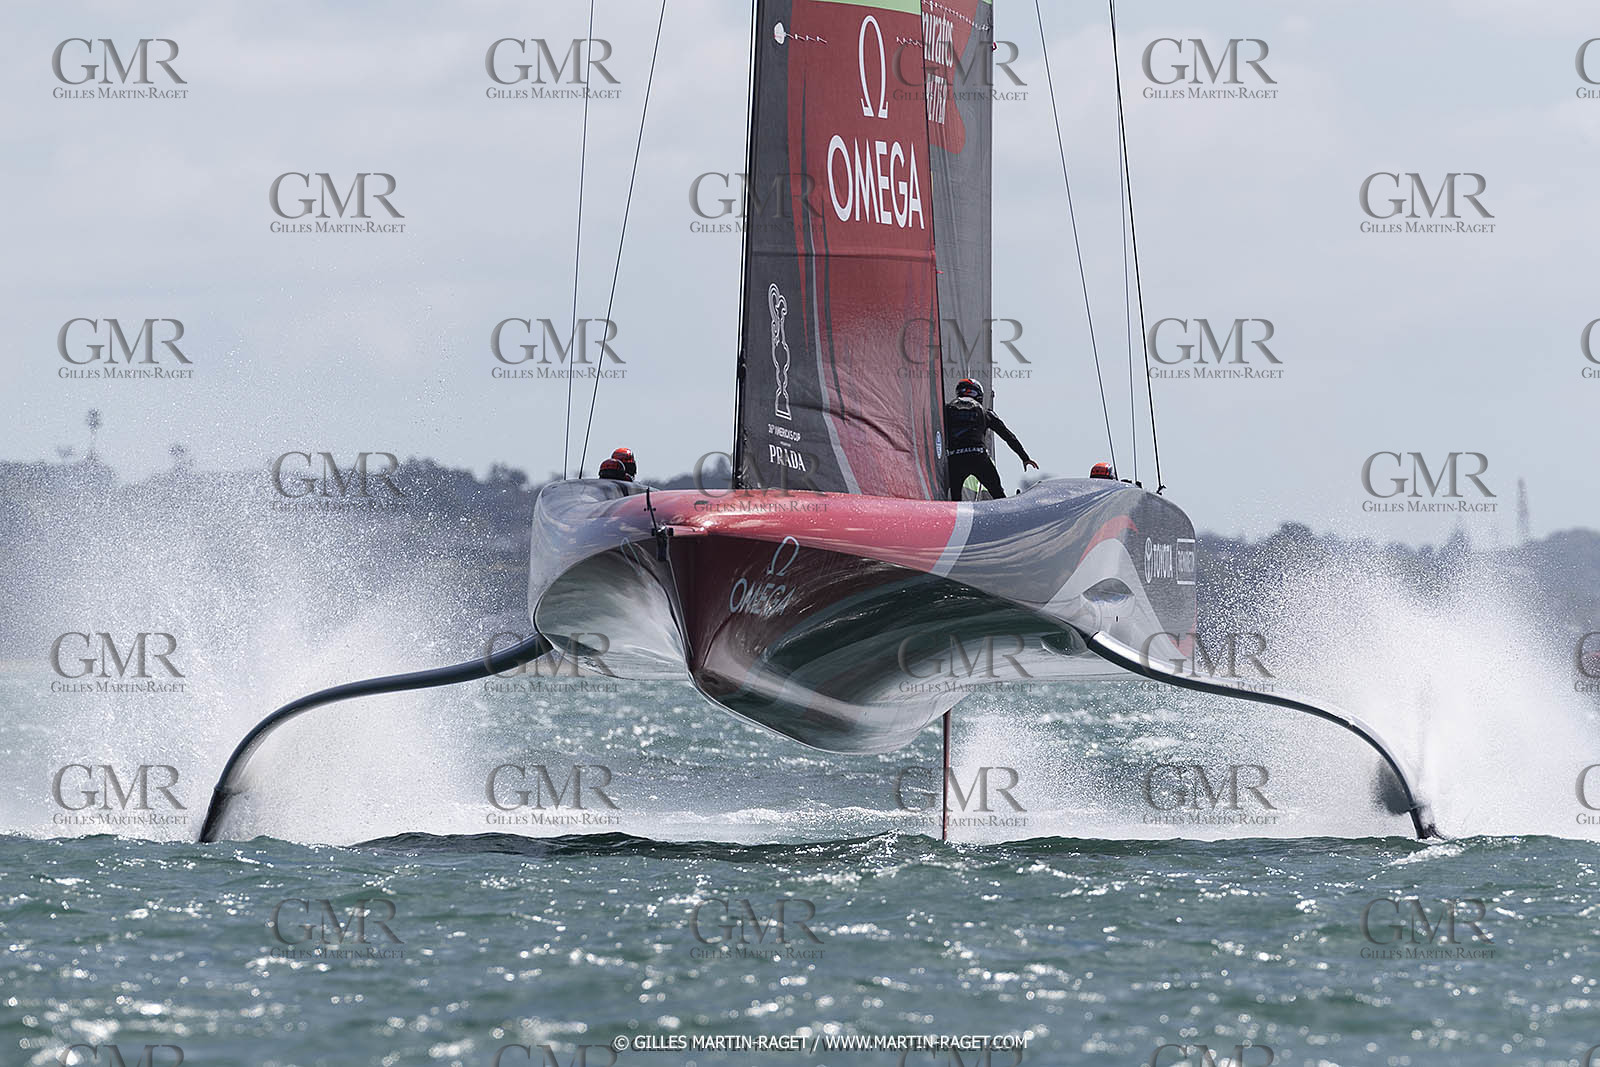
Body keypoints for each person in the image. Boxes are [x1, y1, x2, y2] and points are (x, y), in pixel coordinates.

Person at [944, 378, 1037, 501]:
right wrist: (1025, 458)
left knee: (955, 500)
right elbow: (1008, 436)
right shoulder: (985, 412)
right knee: (999, 496)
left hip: (955, 461)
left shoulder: (946, 409)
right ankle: (1008, 511)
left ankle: (956, 518)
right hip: (979, 459)